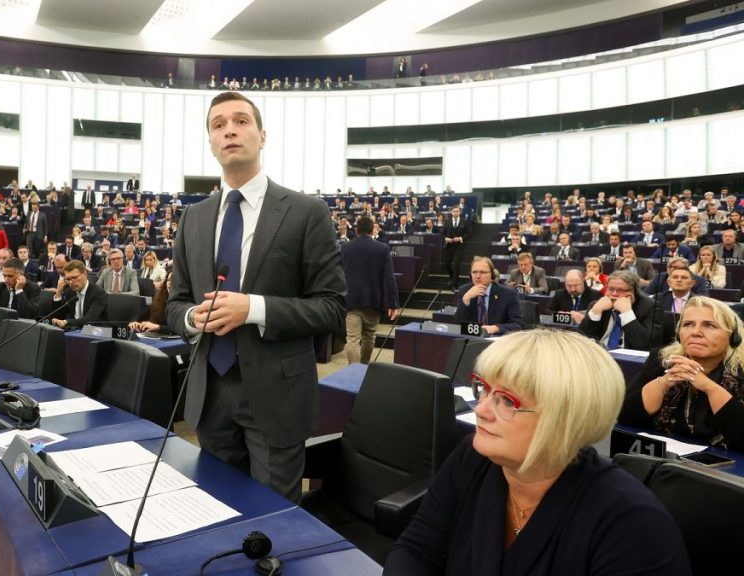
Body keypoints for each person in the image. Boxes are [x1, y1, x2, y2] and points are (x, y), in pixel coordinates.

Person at [384, 330, 691, 576]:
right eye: (485, 389)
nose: (481, 410)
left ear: (566, 418)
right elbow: (417, 549)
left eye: (507, 400)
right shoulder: (473, 457)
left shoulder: (633, 525)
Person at [166, 91, 346, 502]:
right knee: (219, 508)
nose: (230, 130)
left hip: (276, 395)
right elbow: (175, 303)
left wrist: (254, 308)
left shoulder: (306, 212)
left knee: (271, 518)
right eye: (219, 125)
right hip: (209, 393)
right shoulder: (192, 218)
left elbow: (332, 308)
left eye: (241, 121)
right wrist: (193, 317)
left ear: (262, 136)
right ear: (211, 143)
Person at [620, 296, 744, 452]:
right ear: (679, 334)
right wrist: (663, 382)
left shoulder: (741, 371)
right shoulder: (661, 360)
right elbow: (624, 416)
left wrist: (709, 387)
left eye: (710, 325)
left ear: (733, 337)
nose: (696, 332)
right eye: (688, 324)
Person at [340, 216, 400, 364]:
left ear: (356, 230)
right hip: (373, 300)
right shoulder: (382, 248)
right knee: (369, 337)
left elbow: (337, 274)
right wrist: (393, 303)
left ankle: (354, 372)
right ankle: (363, 368)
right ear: (372, 230)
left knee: (352, 338)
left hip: (351, 299)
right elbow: (390, 278)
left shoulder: (345, 248)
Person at [579, 269, 660, 351]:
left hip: (629, 357)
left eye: (621, 290)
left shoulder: (650, 307)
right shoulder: (597, 305)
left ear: (633, 292)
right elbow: (581, 340)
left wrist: (626, 313)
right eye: (610, 289)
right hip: (600, 354)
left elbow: (644, 344)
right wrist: (595, 312)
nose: (614, 294)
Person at [455, 256, 523, 335]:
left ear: (492, 275)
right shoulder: (464, 290)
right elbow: (458, 323)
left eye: (482, 272)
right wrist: (466, 299)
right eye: (474, 272)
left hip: (498, 339)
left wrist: (496, 328)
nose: (477, 276)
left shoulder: (508, 293)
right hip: (472, 338)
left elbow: (517, 325)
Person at [47, 260, 107, 328]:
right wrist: (58, 293)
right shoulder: (69, 292)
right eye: (68, 279)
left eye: (74, 278)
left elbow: (90, 319)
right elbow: (59, 316)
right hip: (72, 330)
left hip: (94, 331)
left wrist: (66, 322)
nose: (71, 282)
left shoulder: (98, 293)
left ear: (85, 274)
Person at [442, 206, 469, 289]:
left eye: (457, 211)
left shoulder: (464, 221)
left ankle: (454, 283)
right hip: (449, 246)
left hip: (459, 246)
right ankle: (453, 277)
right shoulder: (447, 222)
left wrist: (460, 238)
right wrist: (446, 239)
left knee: (456, 265)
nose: (455, 213)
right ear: (451, 212)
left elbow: (468, 233)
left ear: (459, 212)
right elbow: (442, 234)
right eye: (454, 211)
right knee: (446, 265)